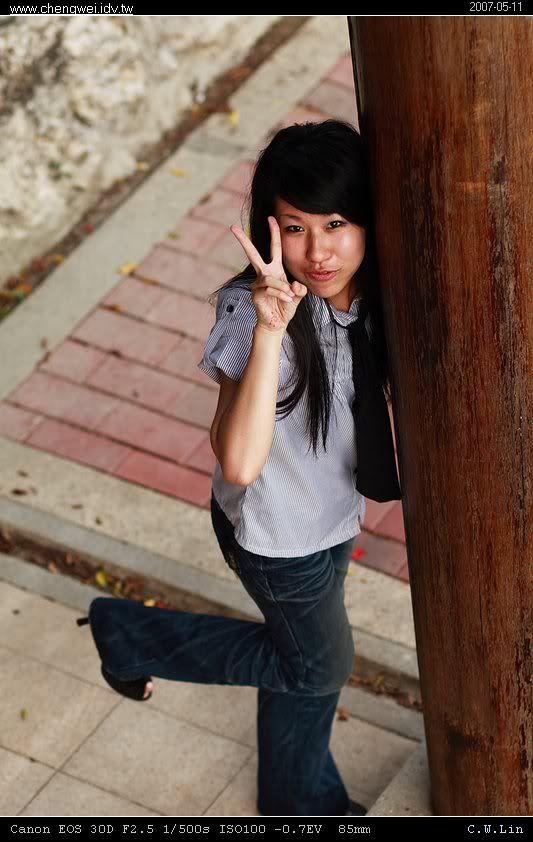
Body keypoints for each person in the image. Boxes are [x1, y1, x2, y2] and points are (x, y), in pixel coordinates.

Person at [77, 119, 396, 817]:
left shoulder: (373, 291)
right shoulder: (249, 313)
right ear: (268, 229)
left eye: (336, 224)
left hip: (332, 514)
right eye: (295, 227)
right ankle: (130, 634)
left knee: (303, 663)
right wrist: (272, 331)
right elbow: (241, 460)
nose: (317, 251)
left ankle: (293, 800)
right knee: (319, 666)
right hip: (276, 538)